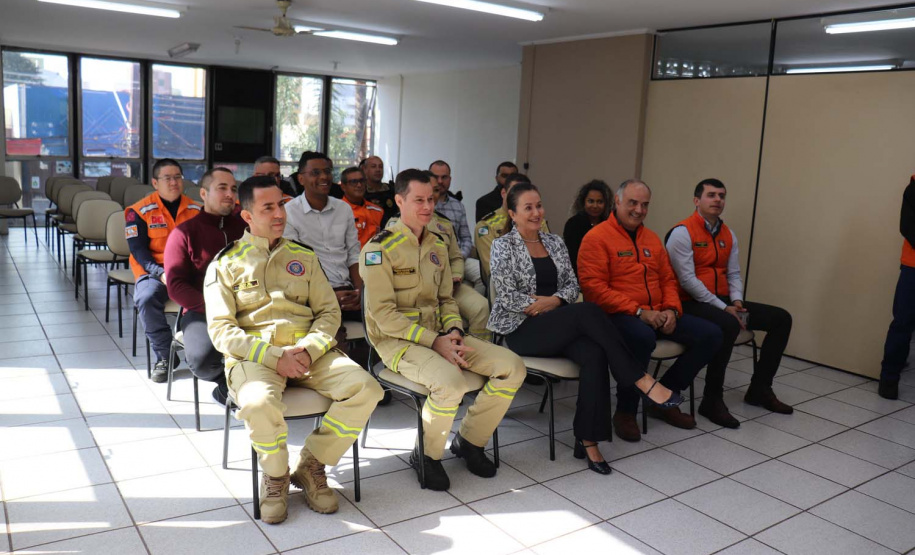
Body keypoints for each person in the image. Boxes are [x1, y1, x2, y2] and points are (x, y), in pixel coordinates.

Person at [205, 176, 383, 524]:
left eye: (281, 205)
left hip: (308, 352)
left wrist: (309, 349)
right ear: (247, 216)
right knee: (258, 403)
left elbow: (329, 312)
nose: (279, 214)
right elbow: (221, 331)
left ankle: (312, 465)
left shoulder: (303, 256)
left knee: (367, 388)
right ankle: (276, 477)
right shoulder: (225, 264)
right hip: (256, 358)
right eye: (267, 208)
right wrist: (274, 357)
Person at [488, 182, 683, 474]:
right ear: (513, 214)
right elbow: (506, 296)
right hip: (522, 328)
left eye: (539, 205)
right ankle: (640, 379)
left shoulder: (554, 242)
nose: (536, 212)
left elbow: (572, 284)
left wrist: (554, 301)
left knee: (595, 353)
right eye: (528, 208)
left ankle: (588, 439)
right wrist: (542, 305)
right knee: (589, 311)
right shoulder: (502, 245)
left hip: (559, 322)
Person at [361, 168, 526, 491]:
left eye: (431, 199)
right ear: (399, 201)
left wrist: (453, 330)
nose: (427, 206)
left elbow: (446, 300)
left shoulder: (436, 244)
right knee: (450, 383)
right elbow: (383, 316)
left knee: (512, 366)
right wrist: (435, 341)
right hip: (398, 343)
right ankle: (426, 455)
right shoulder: (378, 250)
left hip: (439, 335)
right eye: (418, 200)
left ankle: (470, 441)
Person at [577, 179, 722, 442]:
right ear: (617, 201)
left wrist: (672, 310)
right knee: (641, 337)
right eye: (632, 203)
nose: (639, 210)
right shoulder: (596, 238)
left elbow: (668, 280)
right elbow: (594, 288)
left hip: (657, 313)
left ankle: (662, 395)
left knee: (712, 334)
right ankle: (625, 410)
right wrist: (638, 312)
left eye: (644, 205)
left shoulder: (652, 239)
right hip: (615, 315)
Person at [667, 178, 794, 426]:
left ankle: (760, 389)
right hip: (690, 303)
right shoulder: (681, 233)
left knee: (781, 319)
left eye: (721, 196)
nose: (717, 200)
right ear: (696, 201)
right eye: (711, 195)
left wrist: (736, 301)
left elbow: (733, 273)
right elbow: (687, 280)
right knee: (728, 323)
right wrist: (724, 307)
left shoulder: (728, 234)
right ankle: (712, 399)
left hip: (723, 302)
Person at [164, 167, 247, 404]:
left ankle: (251, 384)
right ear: (203, 193)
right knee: (202, 361)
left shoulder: (245, 230)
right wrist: (215, 308)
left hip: (247, 305)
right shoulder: (184, 233)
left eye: (233, 189)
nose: (229, 194)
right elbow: (176, 286)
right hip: (203, 311)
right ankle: (227, 386)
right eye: (222, 188)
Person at [386, 172, 492, 341]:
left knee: (482, 307)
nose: (430, 200)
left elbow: (456, 257)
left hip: (449, 285)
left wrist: (456, 276)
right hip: (416, 289)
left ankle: (476, 345)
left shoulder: (445, 224)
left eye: (433, 193)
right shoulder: (395, 224)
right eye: (420, 198)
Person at [126, 159, 201, 383]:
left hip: (189, 273)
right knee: (146, 298)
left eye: (177, 177)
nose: (173, 182)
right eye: (167, 178)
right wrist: (160, 273)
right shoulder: (138, 212)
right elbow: (139, 251)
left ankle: (200, 351)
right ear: (155, 183)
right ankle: (165, 356)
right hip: (154, 272)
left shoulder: (197, 210)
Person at [283, 152, 363, 346]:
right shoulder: (289, 213)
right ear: (301, 179)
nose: (324, 177)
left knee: (384, 319)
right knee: (333, 336)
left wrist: (361, 292)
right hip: (314, 295)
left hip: (348, 290)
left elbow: (353, 254)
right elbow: (297, 266)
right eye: (315, 172)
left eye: (327, 171)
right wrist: (328, 296)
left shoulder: (343, 209)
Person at [879, 174, 915, 399]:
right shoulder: (914, 187)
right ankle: (889, 378)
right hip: (913, 267)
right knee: (903, 322)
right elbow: (908, 226)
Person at [475, 173, 549, 281]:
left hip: (544, 279)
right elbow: (494, 269)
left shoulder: (539, 222)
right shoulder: (486, 226)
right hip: (506, 284)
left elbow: (550, 258)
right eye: (515, 192)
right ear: (503, 193)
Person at [430, 160, 485, 292]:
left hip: (457, 257)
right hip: (432, 259)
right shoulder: (424, 205)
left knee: (483, 273)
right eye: (436, 177)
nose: (440, 181)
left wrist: (460, 257)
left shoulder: (458, 206)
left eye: (444, 177)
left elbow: (466, 238)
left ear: (450, 179)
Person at [564, 180, 612, 274]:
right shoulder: (573, 224)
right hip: (580, 274)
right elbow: (572, 258)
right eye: (591, 201)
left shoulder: (610, 224)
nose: (595, 206)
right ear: (583, 202)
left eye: (600, 202)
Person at [339, 166, 384, 247]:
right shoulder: (336, 212)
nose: (359, 185)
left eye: (362, 181)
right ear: (343, 187)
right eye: (353, 182)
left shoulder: (378, 211)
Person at [361, 156, 396, 226]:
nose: (378, 170)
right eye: (373, 166)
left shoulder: (391, 189)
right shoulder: (360, 191)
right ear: (365, 170)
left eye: (380, 167)